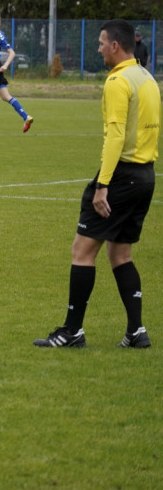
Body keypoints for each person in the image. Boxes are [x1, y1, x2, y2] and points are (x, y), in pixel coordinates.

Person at [34, 19, 160, 349]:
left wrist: (102, 185)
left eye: (102, 43)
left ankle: (72, 331)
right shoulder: (147, 78)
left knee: (82, 250)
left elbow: (116, 135)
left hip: (121, 175)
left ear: (116, 46)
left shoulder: (118, 81)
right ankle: (136, 331)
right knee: (120, 254)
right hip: (146, 175)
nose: (99, 48)